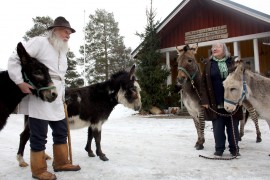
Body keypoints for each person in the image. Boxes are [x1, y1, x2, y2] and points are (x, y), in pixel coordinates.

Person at [8, 16, 80, 180]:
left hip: (57, 96)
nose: (68, 35)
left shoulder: (62, 51)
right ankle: (38, 170)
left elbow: (60, 77)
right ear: (54, 30)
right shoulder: (39, 42)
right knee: (39, 134)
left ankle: (61, 162)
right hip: (41, 93)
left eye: (70, 33)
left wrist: (63, 96)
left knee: (61, 131)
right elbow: (15, 58)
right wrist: (20, 82)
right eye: (65, 31)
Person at [200, 42, 243, 157]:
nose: (214, 49)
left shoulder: (232, 62)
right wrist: (204, 100)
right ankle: (219, 149)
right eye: (213, 47)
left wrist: (241, 96)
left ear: (224, 49)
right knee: (218, 127)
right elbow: (203, 83)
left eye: (217, 47)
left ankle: (234, 149)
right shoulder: (209, 64)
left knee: (233, 126)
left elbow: (240, 81)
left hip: (232, 101)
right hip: (216, 101)